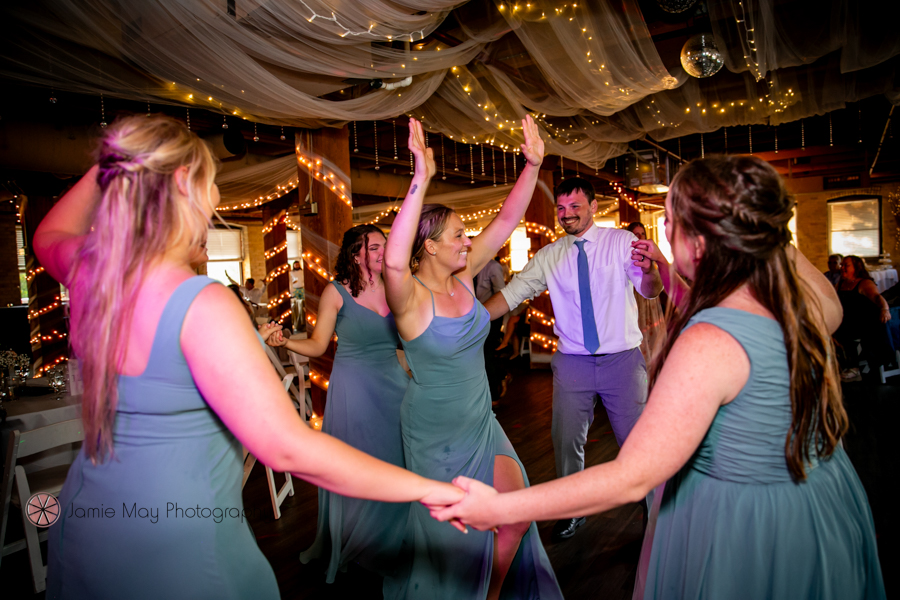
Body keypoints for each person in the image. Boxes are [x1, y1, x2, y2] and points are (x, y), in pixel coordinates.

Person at [33, 115, 463, 599]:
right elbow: (287, 448)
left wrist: (118, 161)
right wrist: (434, 490)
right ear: (181, 183)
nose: (215, 199)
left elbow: (49, 235)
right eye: (211, 183)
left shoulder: (95, 273)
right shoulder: (202, 301)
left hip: (92, 521)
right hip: (181, 542)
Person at [434, 155, 886, 600]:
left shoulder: (709, 340)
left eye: (670, 222)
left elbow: (633, 476)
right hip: (822, 503)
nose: (663, 234)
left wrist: (500, 507)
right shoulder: (808, 307)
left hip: (744, 524)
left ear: (699, 237)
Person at [382, 117, 562, 600]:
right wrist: (421, 176)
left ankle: (491, 593)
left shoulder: (465, 277)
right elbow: (393, 262)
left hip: (482, 422)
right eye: (459, 235)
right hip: (435, 433)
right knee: (458, 538)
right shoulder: (410, 300)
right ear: (430, 246)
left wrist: (533, 165)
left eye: (467, 235)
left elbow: (506, 220)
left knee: (516, 516)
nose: (468, 240)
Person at [483, 178, 663, 541]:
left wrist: (652, 271)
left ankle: (656, 513)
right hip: (573, 363)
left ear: (593, 207)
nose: (566, 215)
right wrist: (466, 320)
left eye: (575, 207)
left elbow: (648, 289)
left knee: (638, 442)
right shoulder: (550, 255)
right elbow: (513, 293)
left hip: (622, 362)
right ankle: (573, 511)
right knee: (566, 442)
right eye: (561, 209)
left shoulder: (620, 242)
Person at [267, 224, 410, 583]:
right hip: (354, 390)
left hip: (394, 385)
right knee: (359, 465)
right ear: (356, 254)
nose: (383, 252)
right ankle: (357, 540)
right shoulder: (336, 292)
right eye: (375, 247)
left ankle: (392, 540)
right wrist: (286, 342)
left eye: (384, 246)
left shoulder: (395, 286)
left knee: (396, 460)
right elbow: (317, 346)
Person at [833, 255, 893, 381]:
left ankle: (854, 367)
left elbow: (877, 297)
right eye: (842, 265)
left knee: (843, 331)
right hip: (846, 320)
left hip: (863, 323)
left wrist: (884, 309)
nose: (842, 267)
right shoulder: (840, 284)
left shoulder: (864, 283)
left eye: (846, 265)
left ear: (856, 267)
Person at [625, 222, 666, 366]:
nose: (640, 236)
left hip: (650, 299)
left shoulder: (650, 251)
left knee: (652, 330)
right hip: (635, 299)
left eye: (642, 233)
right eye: (636, 234)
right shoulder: (626, 253)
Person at [474, 256, 507, 401]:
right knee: (477, 354)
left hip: (490, 317)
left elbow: (501, 293)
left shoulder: (492, 266)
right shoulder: (465, 266)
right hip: (472, 317)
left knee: (487, 353)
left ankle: (494, 394)